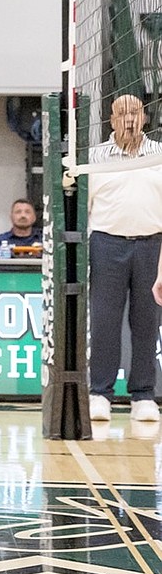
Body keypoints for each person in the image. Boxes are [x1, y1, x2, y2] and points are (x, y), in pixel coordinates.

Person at [90, 94, 162, 423]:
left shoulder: (159, 155)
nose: (129, 118)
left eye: (135, 112)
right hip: (107, 243)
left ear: (144, 117)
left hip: (152, 244)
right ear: (112, 119)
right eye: (122, 113)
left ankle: (144, 395)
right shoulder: (95, 158)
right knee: (104, 322)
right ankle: (100, 393)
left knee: (147, 322)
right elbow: (86, 208)